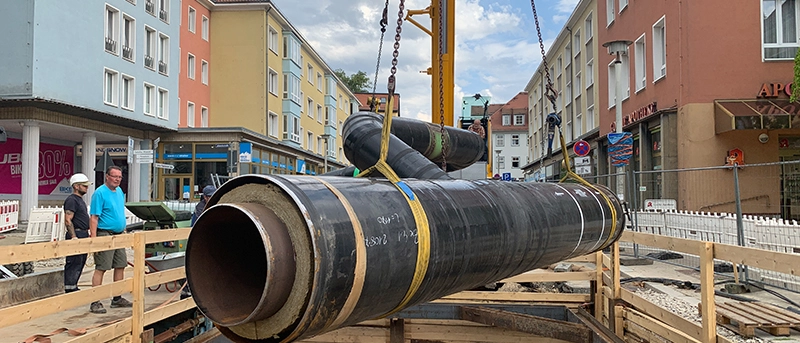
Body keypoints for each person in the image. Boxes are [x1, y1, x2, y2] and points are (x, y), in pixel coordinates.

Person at [88, 166, 132, 314]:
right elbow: (94, 217)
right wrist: (94, 240)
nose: (117, 179)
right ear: (107, 176)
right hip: (104, 233)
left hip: (118, 234)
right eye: (114, 176)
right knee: (102, 267)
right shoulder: (99, 193)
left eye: (119, 177)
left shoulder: (119, 191)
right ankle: (95, 300)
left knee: (121, 265)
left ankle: (117, 297)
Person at [63, 173, 92, 293]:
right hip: (77, 234)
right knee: (74, 262)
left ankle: (73, 286)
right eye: (84, 185)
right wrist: (73, 236)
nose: (87, 188)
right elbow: (68, 219)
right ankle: (69, 288)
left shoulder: (79, 200)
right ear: (76, 186)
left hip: (83, 233)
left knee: (80, 262)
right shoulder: (71, 200)